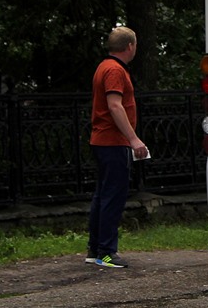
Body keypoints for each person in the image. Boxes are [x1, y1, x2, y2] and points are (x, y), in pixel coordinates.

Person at [86, 25, 149, 269]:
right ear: (130, 46)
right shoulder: (114, 70)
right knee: (113, 197)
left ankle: (95, 249)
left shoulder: (104, 66)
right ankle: (107, 252)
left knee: (102, 196)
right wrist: (134, 139)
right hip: (113, 142)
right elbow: (115, 106)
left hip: (102, 140)